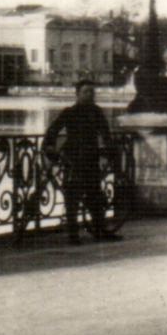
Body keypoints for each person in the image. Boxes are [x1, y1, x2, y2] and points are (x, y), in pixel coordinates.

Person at [42, 80, 121, 244]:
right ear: (77, 94)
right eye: (86, 92)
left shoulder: (96, 112)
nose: (90, 95)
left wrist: (110, 151)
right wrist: (50, 147)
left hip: (91, 158)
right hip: (73, 158)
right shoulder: (70, 112)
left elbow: (105, 134)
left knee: (95, 195)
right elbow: (52, 130)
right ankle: (73, 235)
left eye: (92, 92)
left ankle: (100, 231)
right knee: (73, 197)